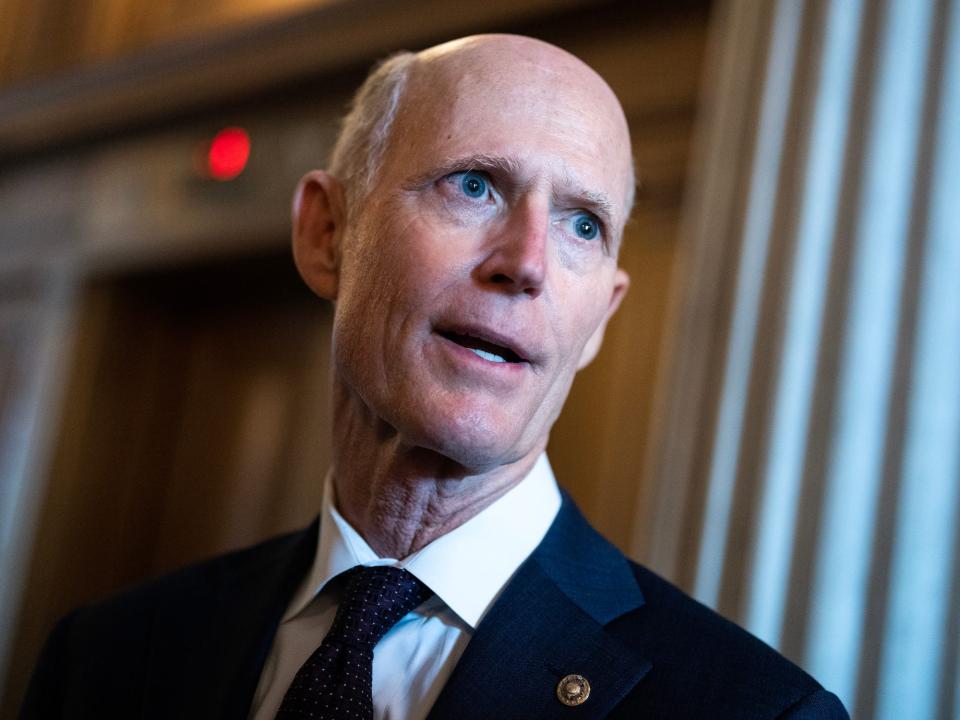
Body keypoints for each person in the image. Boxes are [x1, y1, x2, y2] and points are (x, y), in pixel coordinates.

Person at [22, 34, 849, 719]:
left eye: (583, 224)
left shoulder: (756, 711)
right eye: (476, 184)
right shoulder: (109, 656)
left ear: (602, 316)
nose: (526, 264)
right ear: (328, 234)